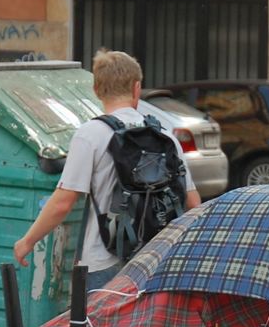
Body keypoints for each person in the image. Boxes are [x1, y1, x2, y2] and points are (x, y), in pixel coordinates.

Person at [13, 49, 201, 292]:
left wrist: (27, 241)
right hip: (156, 261)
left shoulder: (90, 135)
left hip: (104, 263)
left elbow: (63, 202)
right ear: (136, 87)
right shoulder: (165, 136)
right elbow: (192, 203)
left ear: (97, 90)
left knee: (97, 319)